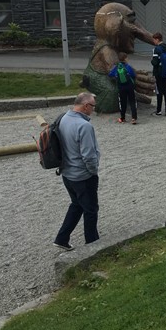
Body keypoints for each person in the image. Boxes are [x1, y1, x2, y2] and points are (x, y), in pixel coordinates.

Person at [53, 92, 100, 251]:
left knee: (77, 205)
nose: (94, 109)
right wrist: (93, 172)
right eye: (93, 106)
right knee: (91, 210)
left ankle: (62, 238)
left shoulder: (63, 118)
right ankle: (92, 246)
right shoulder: (84, 126)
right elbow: (89, 155)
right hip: (83, 176)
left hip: (67, 174)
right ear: (86, 106)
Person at [108, 52, 138, 124]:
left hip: (121, 87)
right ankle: (133, 118)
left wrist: (116, 77)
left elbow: (110, 74)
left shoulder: (116, 67)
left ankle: (122, 118)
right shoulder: (128, 67)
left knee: (122, 102)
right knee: (132, 102)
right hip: (130, 87)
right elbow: (133, 75)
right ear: (125, 59)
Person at [151, 32, 166, 115]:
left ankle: (159, 110)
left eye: (154, 40)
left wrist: (152, 58)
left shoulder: (157, 49)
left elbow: (154, 62)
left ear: (157, 39)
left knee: (159, 91)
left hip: (159, 72)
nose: (153, 42)